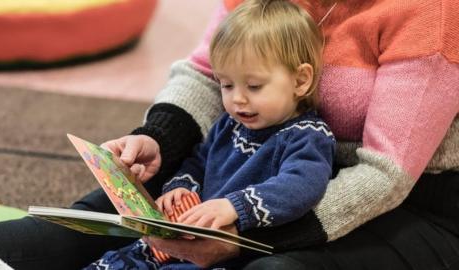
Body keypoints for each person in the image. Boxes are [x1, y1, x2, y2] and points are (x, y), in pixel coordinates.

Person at [0, 0, 458, 269]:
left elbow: (386, 173)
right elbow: (208, 73)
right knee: (103, 221)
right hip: (246, 161)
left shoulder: (433, 13)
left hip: (405, 203)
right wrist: (158, 140)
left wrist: (246, 232)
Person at [85, 0, 335, 268]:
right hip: (188, 236)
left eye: (254, 86)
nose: (237, 99)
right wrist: (181, 187)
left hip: (226, 253)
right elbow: (199, 161)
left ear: (300, 81)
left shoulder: (308, 135)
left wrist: (234, 206)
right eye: (226, 84)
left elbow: (302, 185)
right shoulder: (229, 124)